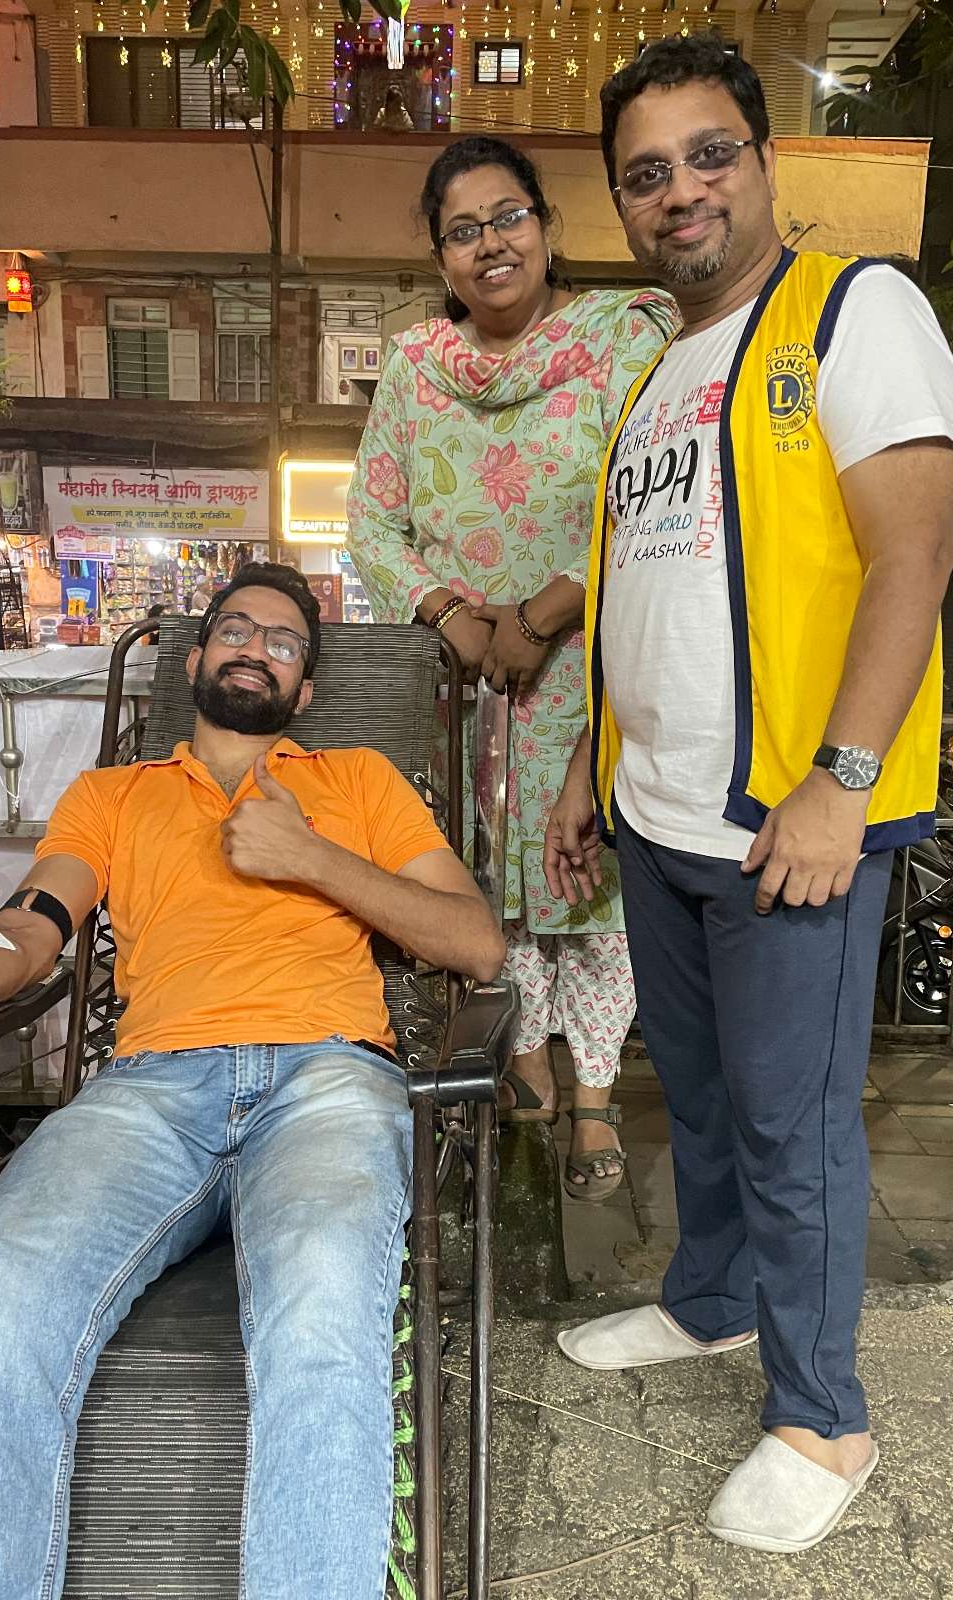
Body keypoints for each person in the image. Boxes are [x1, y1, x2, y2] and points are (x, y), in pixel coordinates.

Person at [544, 34, 953, 1551]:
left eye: (710, 153)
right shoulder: (660, 375)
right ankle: (712, 1298)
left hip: (792, 824)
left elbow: (912, 557)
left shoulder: (856, 310)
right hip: (661, 816)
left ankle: (822, 1418)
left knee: (794, 1126)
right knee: (706, 1100)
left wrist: (838, 785)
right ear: (621, 203)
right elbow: (640, 595)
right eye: (645, 174)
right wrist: (591, 768)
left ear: (767, 160)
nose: (681, 191)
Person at [0, 562, 505, 1598]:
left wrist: (310, 856)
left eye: (284, 641)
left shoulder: (359, 782)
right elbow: (26, 938)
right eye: (235, 628)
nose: (256, 646)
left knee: (323, 1313)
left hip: (328, 1077)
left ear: (303, 689)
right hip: (149, 1090)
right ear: (197, 659)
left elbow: (475, 942)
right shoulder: (113, 795)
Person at [347, 136, 678, 1200]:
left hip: (594, 666)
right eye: (462, 231)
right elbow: (372, 524)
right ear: (439, 258)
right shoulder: (414, 367)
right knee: (494, 883)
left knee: (592, 884)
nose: (489, 244)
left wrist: (541, 615)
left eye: (507, 217)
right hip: (469, 685)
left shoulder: (622, 339)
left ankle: (595, 1095)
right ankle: (527, 1063)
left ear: (544, 224)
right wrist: (451, 615)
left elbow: (657, 493)